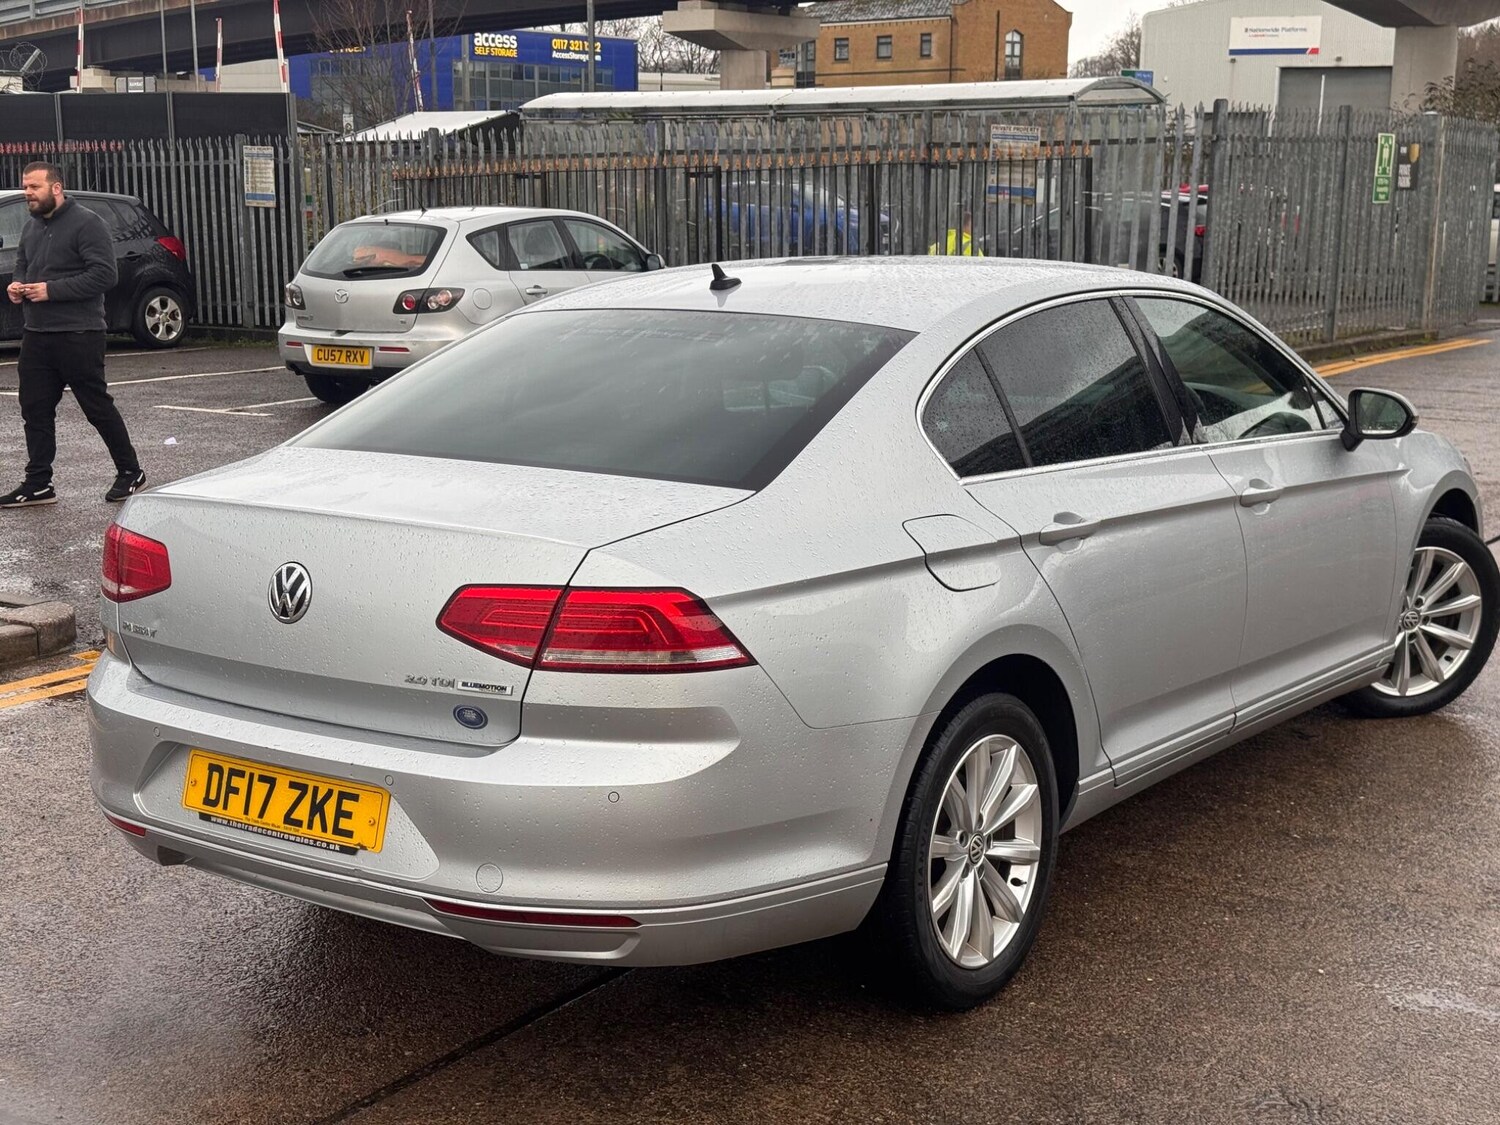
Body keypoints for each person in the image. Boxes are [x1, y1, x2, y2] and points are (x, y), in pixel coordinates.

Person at [1, 161, 144, 508]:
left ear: (56, 188)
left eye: (34, 187)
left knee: (95, 406)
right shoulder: (33, 227)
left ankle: (130, 472)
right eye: (25, 187)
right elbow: (23, 262)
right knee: (34, 409)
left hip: (79, 333)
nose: (27, 194)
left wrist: (51, 290)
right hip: (36, 334)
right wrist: (16, 284)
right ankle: (38, 483)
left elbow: (105, 276)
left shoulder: (87, 224)